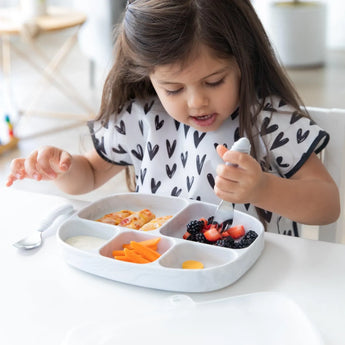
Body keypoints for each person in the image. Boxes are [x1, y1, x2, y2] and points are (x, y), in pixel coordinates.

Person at [6, 0, 340, 236]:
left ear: (243, 61)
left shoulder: (269, 121)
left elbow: (327, 204)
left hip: (256, 280)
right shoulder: (143, 118)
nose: (196, 102)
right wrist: (61, 168)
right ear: (147, 76)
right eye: (173, 88)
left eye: (213, 82)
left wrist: (263, 188)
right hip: (160, 272)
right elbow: (89, 175)